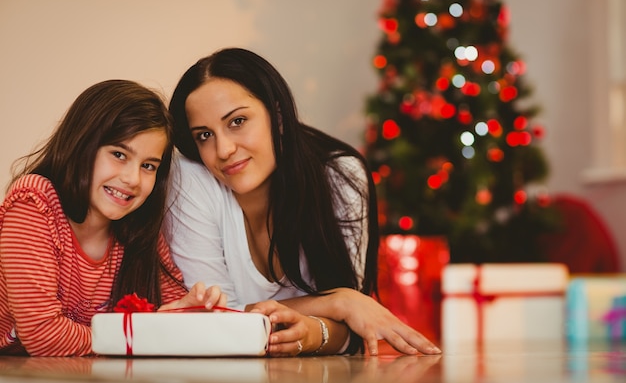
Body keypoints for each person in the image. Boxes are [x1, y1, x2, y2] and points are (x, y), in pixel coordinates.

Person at [165, 47, 442, 357]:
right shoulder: (191, 180)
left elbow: (354, 329)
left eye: (237, 121)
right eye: (204, 135)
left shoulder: (341, 177)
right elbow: (215, 320)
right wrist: (334, 302)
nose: (224, 149)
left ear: (278, 116)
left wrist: (313, 332)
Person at [0, 80, 225, 357]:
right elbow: (44, 335)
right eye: (119, 154)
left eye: (148, 166)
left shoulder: (140, 230)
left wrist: (185, 312)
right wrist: (145, 333)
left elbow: (172, 323)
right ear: (81, 145)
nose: (132, 179)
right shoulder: (34, 202)